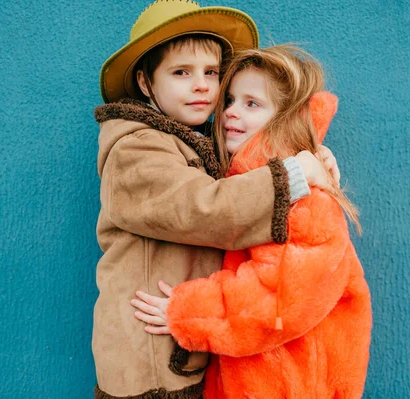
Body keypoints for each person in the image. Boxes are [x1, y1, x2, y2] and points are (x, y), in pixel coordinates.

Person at [92, 2, 341, 398]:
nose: (202, 86)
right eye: (181, 73)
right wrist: (292, 176)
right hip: (149, 364)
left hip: (182, 349)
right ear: (144, 82)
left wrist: (309, 154)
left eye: (211, 72)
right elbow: (204, 209)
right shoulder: (135, 151)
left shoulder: (194, 142)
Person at [132, 45, 373, 399]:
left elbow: (278, 301)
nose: (230, 112)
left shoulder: (306, 202)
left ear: (285, 119)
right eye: (229, 100)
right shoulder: (252, 184)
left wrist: (188, 313)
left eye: (251, 104)